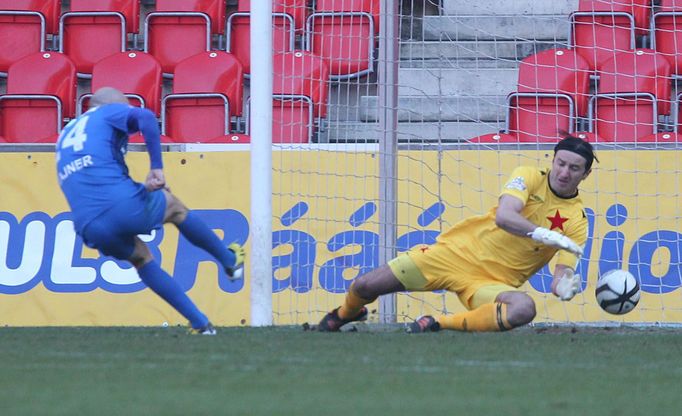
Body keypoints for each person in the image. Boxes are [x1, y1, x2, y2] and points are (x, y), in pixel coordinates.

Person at [318, 135, 597, 333]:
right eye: (561, 163)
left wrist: (562, 286)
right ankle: (346, 314)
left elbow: (562, 272)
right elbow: (504, 216)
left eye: (574, 168)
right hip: (452, 255)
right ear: (553, 160)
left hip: (492, 282)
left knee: (524, 308)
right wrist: (543, 234)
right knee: (365, 286)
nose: (564, 172)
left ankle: (440, 322)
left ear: (584, 175)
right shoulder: (529, 175)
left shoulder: (577, 220)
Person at [56, 87, 245, 335]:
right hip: (118, 204)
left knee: (141, 258)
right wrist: (157, 167)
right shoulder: (106, 112)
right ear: (112, 104)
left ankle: (201, 324)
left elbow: (92, 180)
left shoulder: (65, 134)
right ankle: (230, 261)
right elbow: (145, 117)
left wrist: (139, 190)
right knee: (174, 207)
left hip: (87, 223)